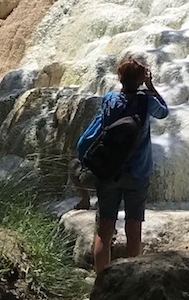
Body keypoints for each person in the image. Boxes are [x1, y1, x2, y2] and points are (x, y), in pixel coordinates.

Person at [77, 56, 170, 273]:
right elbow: (164, 112)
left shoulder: (109, 99)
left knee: (105, 230)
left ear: (120, 78)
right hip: (138, 173)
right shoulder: (147, 101)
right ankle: (129, 284)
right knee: (133, 228)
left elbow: (97, 129)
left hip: (109, 171)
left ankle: (102, 283)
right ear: (140, 80)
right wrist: (151, 86)